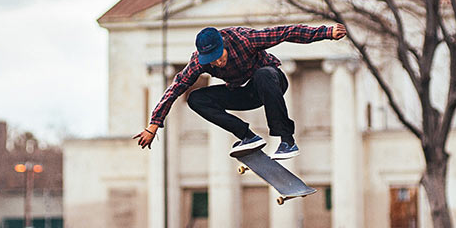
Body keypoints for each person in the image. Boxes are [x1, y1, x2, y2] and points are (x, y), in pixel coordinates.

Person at [134, 23, 347, 159]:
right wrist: (153, 126)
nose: (217, 62)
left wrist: (326, 32)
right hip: (244, 94)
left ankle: (286, 140)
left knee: (263, 74)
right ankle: (247, 136)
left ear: (223, 44)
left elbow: (286, 32)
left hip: (272, 83)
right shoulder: (199, 62)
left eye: (220, 56)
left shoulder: (244, 39)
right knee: (196, 98)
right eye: (212, 60)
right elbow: (175, 88)